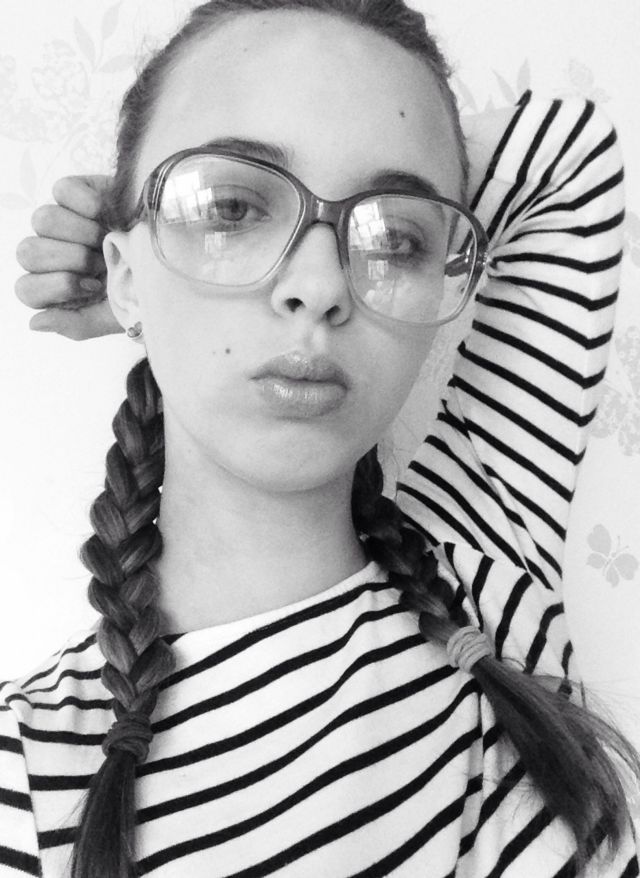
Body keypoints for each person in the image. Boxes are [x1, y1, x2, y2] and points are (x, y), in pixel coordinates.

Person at [4, 1, 640, 876]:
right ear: (123, 274)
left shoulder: (484, 571)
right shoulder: (26, 766)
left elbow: (568, 155)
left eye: (396, 238)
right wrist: (152, 221)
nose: (321, 283)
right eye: (231, 206)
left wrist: (170, 218)